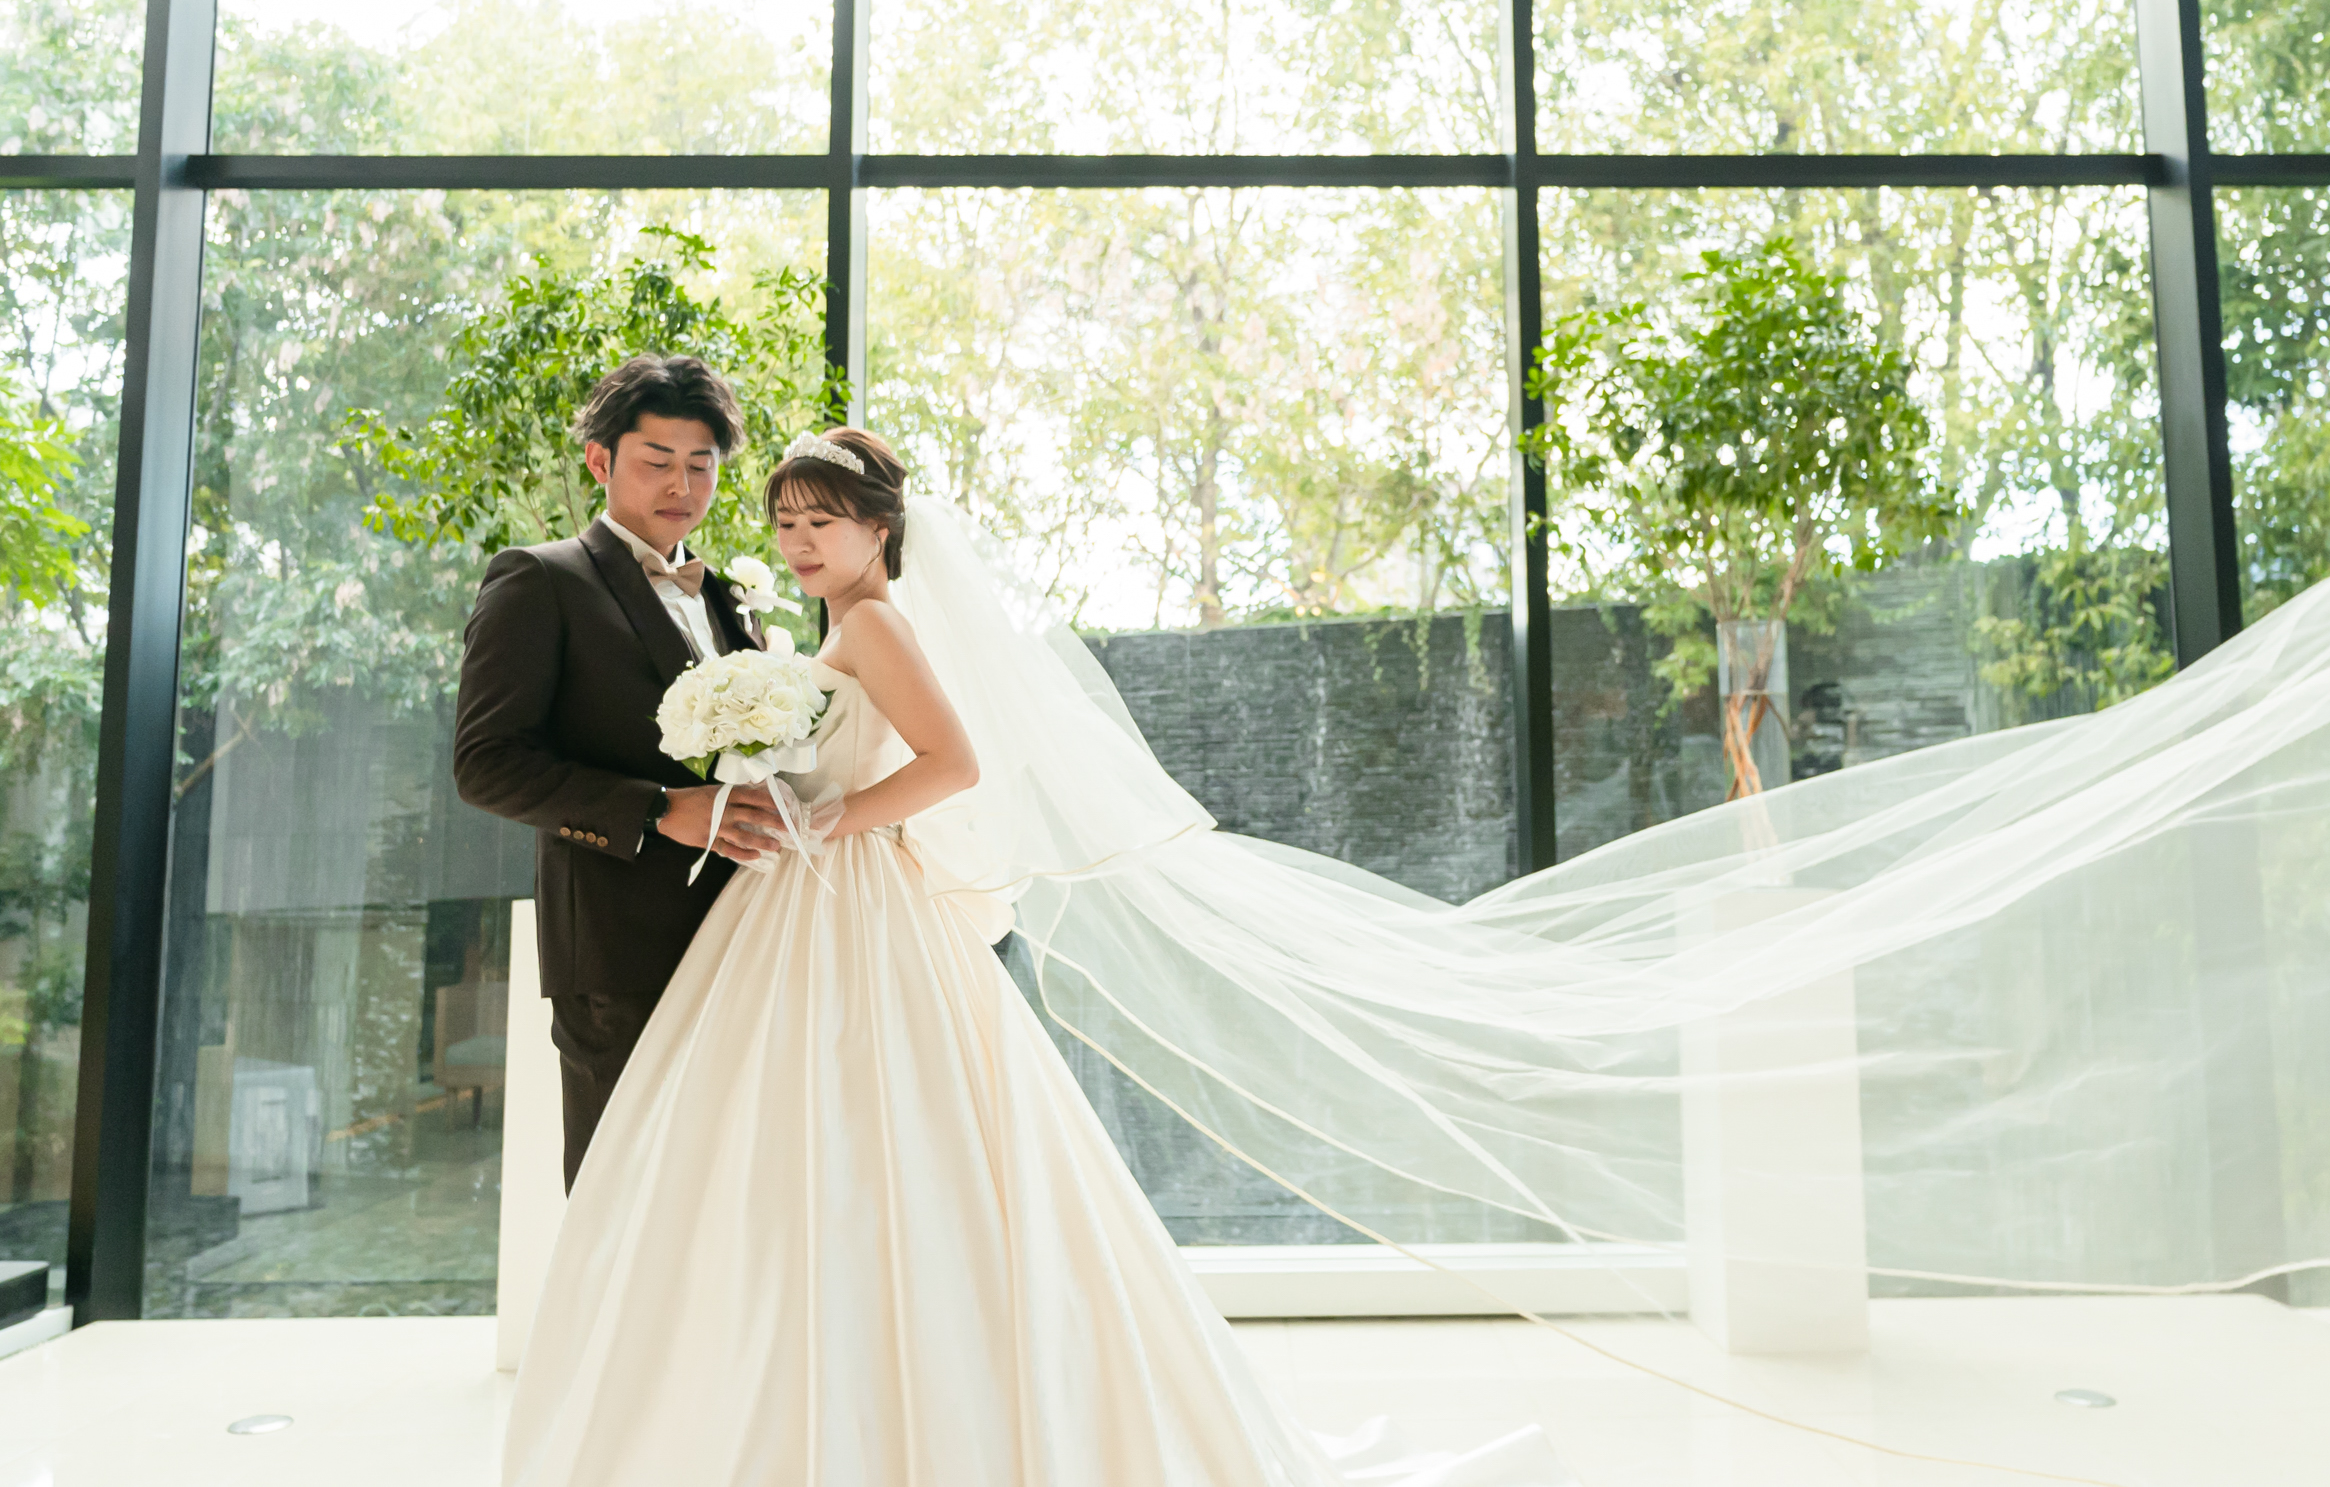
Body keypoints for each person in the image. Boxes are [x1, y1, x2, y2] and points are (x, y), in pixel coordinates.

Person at [501, 427, 1573, 1487]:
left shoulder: (874, 625)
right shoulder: (838, 629)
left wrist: (829, 819)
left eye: (823, 521)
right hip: (807, 905)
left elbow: (953, 763)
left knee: (877, 1137)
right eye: (786, 522)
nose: (799, 542)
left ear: (880, 528)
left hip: (851, 895)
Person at [451, 353, 790, 1189]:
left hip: (743, 944)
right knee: (624, 1201)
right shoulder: (539, 579)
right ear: (600, 461)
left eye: (701, 464)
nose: (682, 484)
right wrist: (656, 808)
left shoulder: (728, 600)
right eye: (657, 461)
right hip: (616, 956)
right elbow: (485, 764)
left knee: (724, 1200)